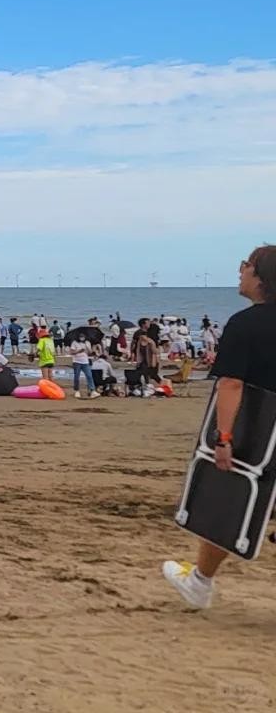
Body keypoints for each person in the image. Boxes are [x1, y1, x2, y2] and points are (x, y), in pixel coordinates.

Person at [164, 245, 276, 610]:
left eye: (245, 265)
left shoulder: (245, 324)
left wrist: (223, 438)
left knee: (230, 500)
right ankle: (198, 581)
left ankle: (200, 583)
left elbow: (231, 384)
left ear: (260, 276)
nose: (240, 271)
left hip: (258, 434)